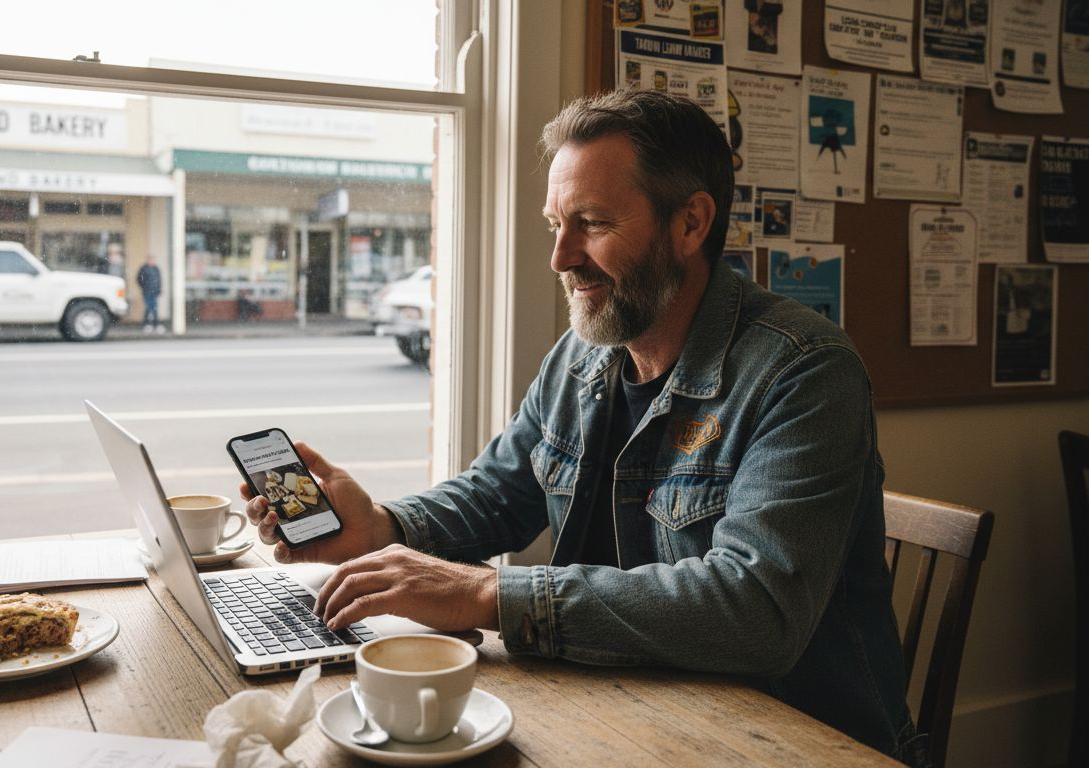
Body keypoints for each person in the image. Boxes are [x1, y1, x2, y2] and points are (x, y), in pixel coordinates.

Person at [241, 90, 924, 766]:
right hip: (630, 714)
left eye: (591, 223)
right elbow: (498, 494)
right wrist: (382, 528)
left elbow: (755, 609)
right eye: (554, 224)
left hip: (790, 741)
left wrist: (483, 594)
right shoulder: (585, 355)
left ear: (690, 224)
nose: (561, 257)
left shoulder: (804, 373)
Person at [136, 255, 163, 333]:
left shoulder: (156, 269)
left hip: (154, 292)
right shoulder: (144, 269)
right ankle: (147, 324)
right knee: (148, 308)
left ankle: (155, 324)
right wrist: (144, 287)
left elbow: (159, 280)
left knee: (154, 308)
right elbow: (139, 279)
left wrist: (159, 290)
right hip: (147, 291)